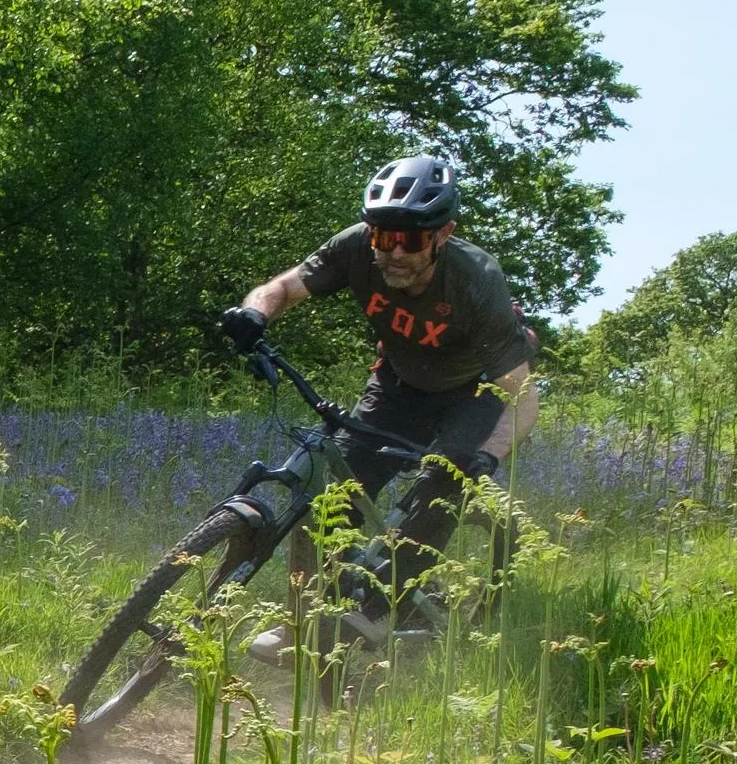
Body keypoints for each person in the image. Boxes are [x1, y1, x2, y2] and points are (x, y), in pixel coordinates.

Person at [219, 155, 537, 659]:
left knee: (444, 484)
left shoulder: (476, 280)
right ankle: (312, 619)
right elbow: (284, 286)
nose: (392, 251)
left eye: (409, 239)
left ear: (443, 233)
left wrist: (489, 456)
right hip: (400, 384)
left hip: (474, 394)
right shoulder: (356, 248)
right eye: (381, 235)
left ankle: (378, 608)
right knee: (328, 495)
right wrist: (253, 314)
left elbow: (520, 393)